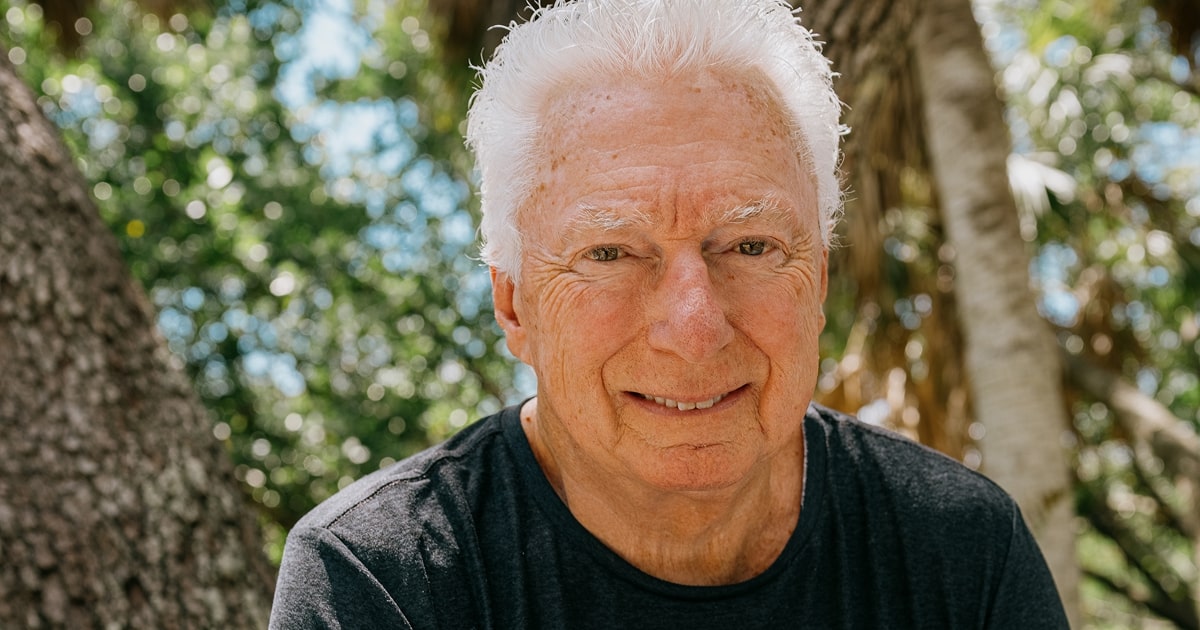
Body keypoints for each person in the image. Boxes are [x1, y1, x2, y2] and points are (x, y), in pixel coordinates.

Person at [269, 0, 1070, 627]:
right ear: (512, 304)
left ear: (818, 282)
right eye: (610, 254)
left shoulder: (961, 549)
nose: (695, 325)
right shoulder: (382, 577)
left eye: (751, 246)